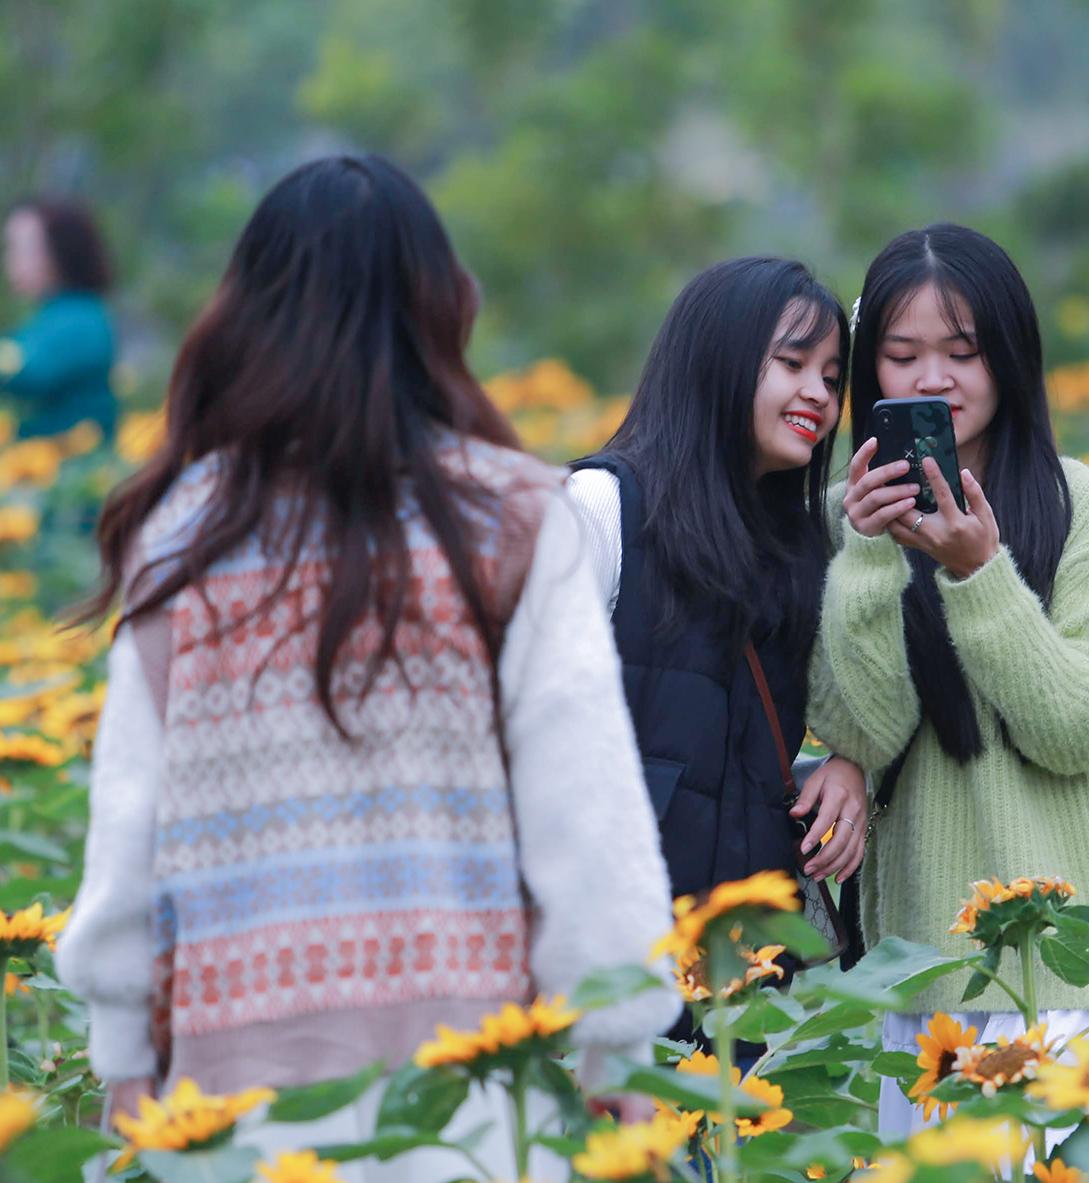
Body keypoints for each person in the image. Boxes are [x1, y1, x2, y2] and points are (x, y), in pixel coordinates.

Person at [56, 155, 676, 1180]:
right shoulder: (515, 520)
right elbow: (587, 822)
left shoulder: (186, 538)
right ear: (440, 308)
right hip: (467, 1111)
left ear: (244, 315)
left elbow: (128, 838)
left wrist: (123, 1056)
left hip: (232, 1118)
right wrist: (618, 1048)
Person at [808, 224, 1089, 1137]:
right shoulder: (845, 521)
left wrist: (979, 571)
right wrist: (871, 555)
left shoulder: (1086, 509)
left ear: (1012, 356)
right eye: (902, 354)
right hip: (933, 988)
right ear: (870, 373)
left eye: (964, 351)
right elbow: (864, 729)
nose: (933, 379)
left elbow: (1080, 727)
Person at [568, 258, 869, 1015]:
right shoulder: (601, 510)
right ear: (718, 361)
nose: (818, 396)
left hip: (735, 990)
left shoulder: (795, 552)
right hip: (602, 971)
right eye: (792, 363)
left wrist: (837, 770)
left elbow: (720, 755)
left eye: (833, 378)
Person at [1, 197, 118, 440]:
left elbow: (29, 369)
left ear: (61, 252)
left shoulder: (81, 317)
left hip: (77, 468)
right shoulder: (51, 315)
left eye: (22, 249)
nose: (10, 261)